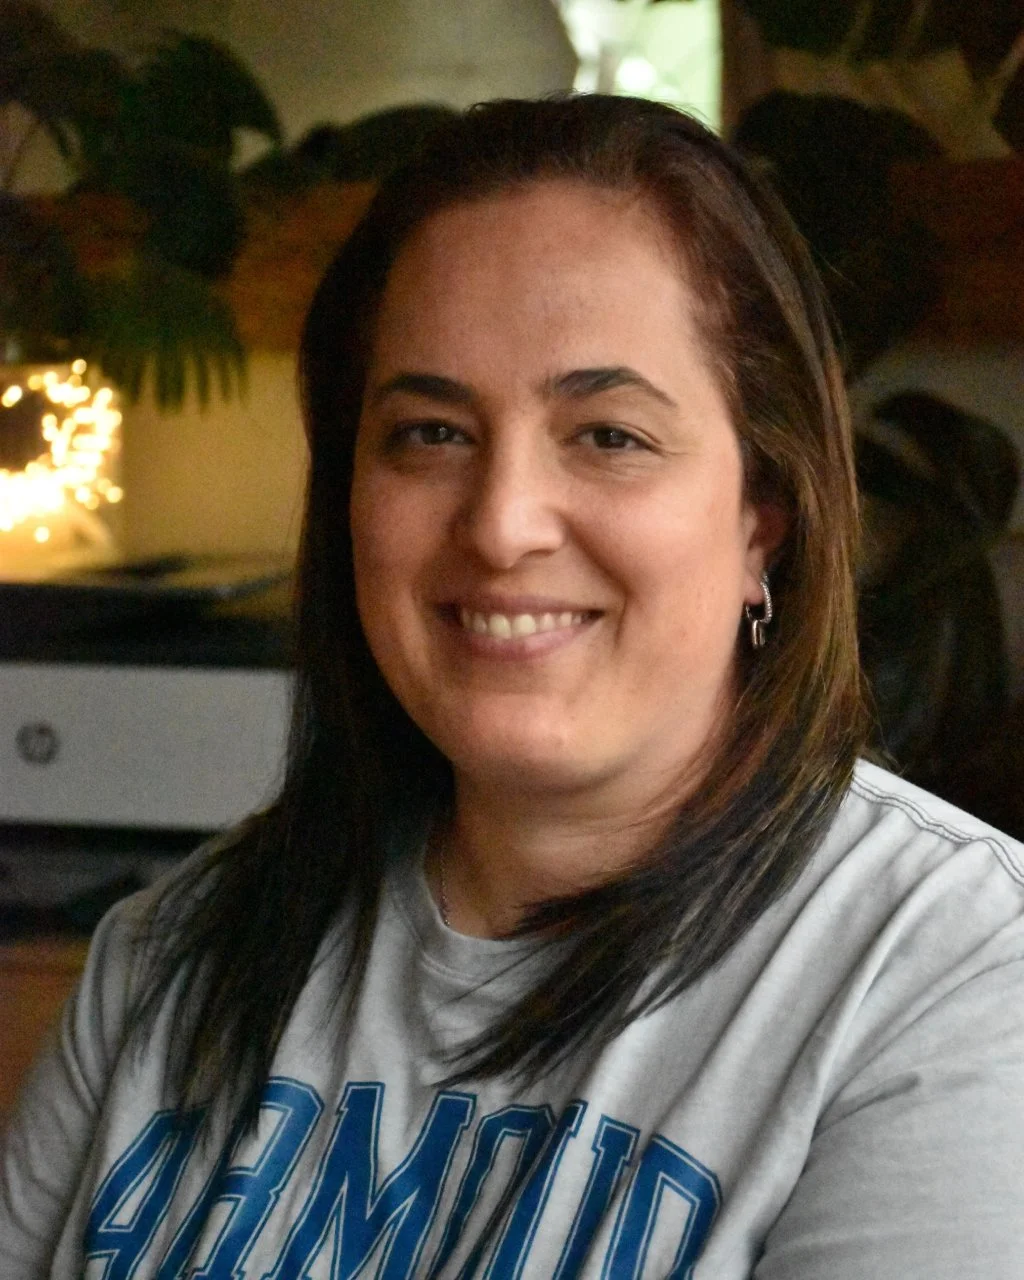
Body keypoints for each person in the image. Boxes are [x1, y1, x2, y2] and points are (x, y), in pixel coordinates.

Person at [2, 94, 1023, 1279]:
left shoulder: (956, 974)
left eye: (607, 434)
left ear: (763, 519)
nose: (499, 525)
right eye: (430, 433)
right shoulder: (174, 952)